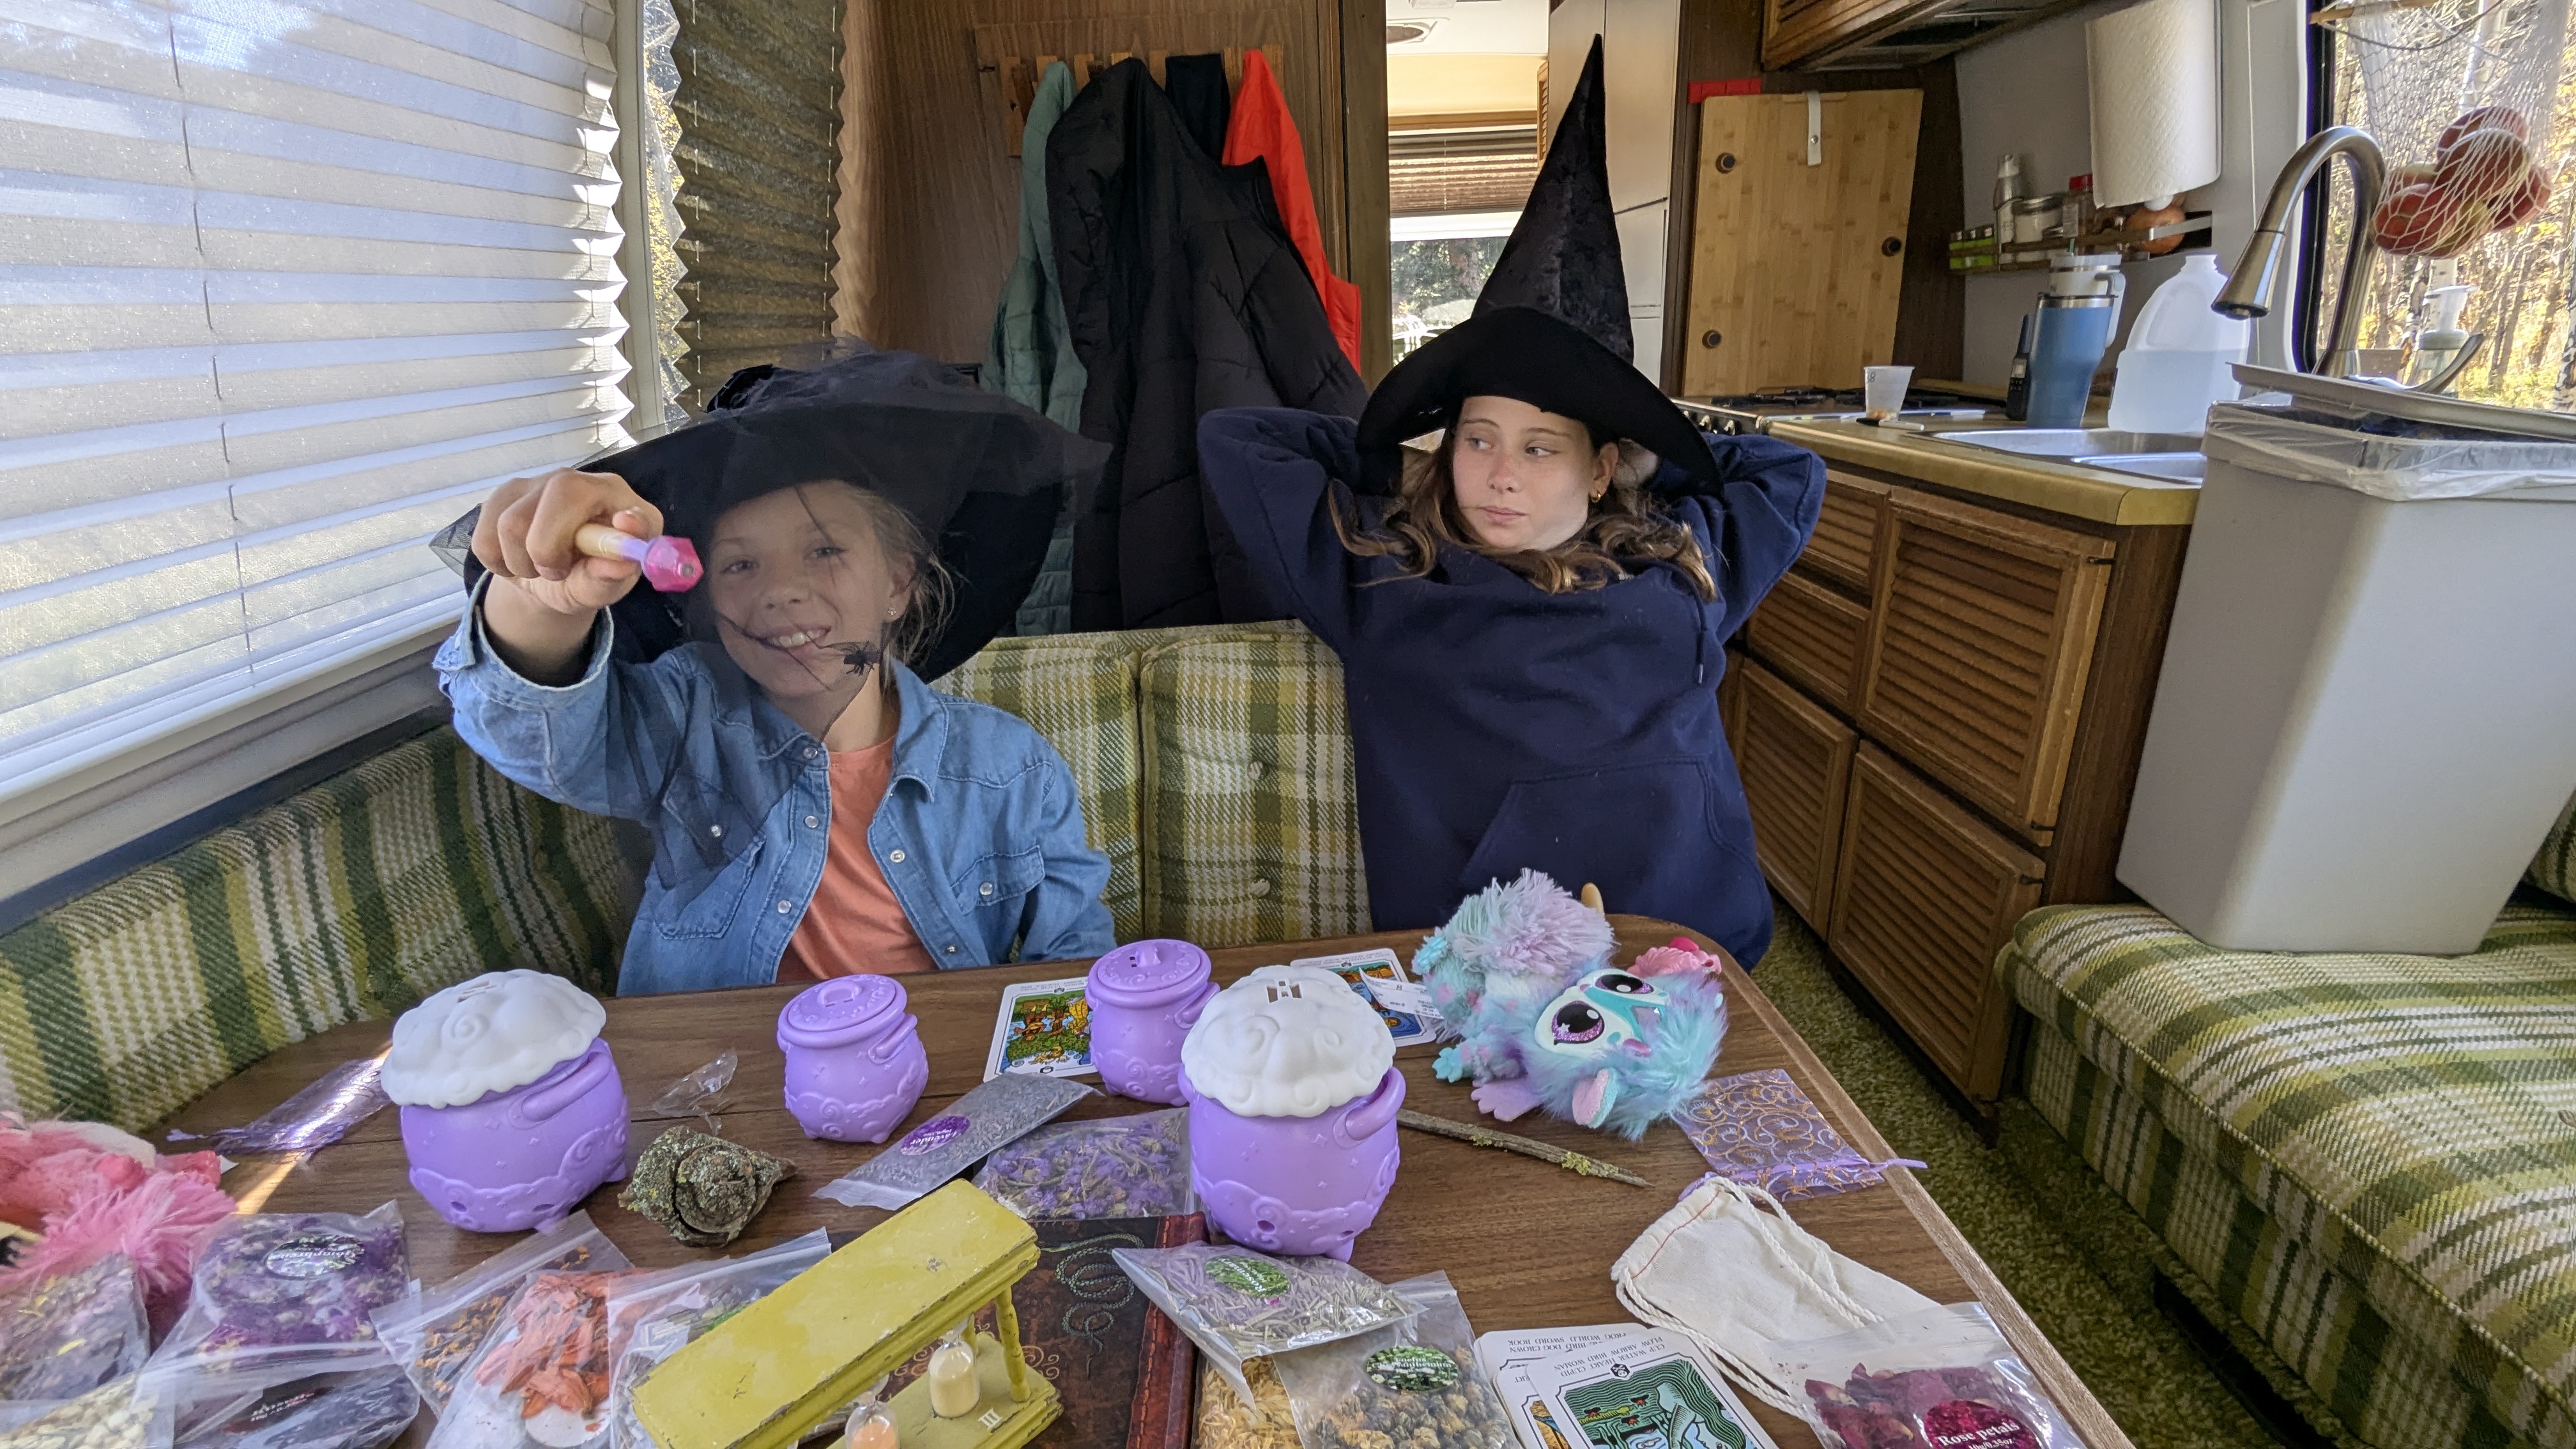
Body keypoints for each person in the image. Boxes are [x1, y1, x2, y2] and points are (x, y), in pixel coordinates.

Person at [1193, 39, 1821, 963]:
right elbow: (1236, 439)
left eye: (1540, 449)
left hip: (1686, 943)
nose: (1500, 475)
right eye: (1477, 440)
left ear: (1601, 468)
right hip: (1480, 962)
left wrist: (1649, 464)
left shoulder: (1684, 561)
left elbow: (1791, 470)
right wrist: (1403, 465)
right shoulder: (1383, 575)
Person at [435, 355, 1117, 993]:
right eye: (740, 564)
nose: (782, 591)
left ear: (897, 584)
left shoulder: (1013, 768)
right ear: (705, 598)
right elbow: (537, 735)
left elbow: (1074, 956)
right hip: (725, 1070)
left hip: (933, 1063)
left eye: (824, 551)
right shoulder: (683, 723)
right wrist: (542, 601)